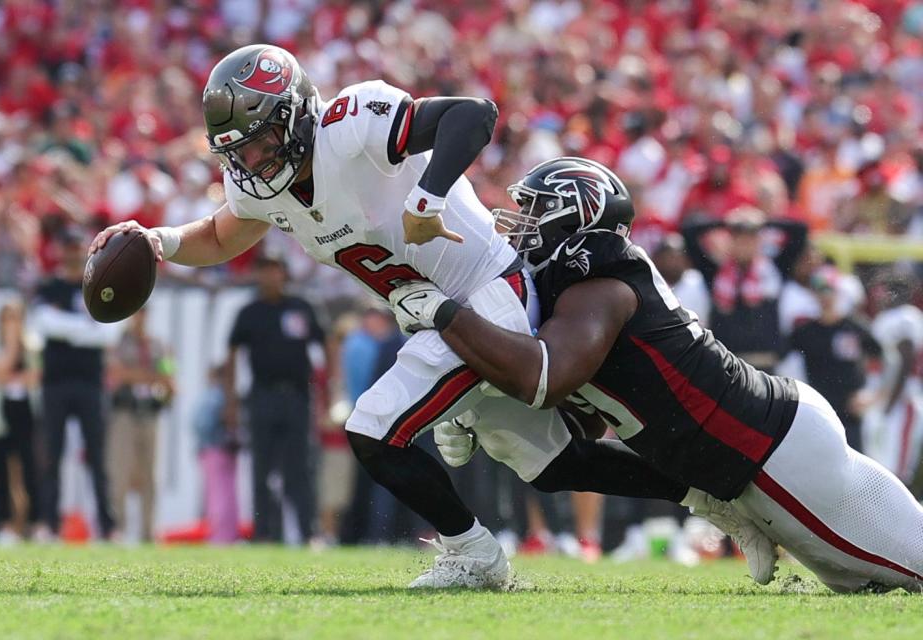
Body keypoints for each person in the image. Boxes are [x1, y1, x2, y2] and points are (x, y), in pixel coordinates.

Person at [90, 45, 738, 588]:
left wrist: (427, 195)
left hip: (491, 291)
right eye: (238, 151)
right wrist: (160, 241)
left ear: (291, 116)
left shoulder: (350, 125)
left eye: (259, 142)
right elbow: (224, 234)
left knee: (374, 426)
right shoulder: (262, 184)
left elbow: (472, 116)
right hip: (436, 316)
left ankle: (473, 554)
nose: (250, 163)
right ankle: (707, 496)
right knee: (557, 465)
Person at [389, 157, 923, 593]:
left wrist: (445, 317)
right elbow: (585, 424)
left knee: (910, 568)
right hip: (749, 459)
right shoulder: (578, 290)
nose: (519, 223)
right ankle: (714, 505)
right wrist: (473, 406)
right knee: (863, 585)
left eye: (535, 210)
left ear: (577, 218)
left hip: (774, 449)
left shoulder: (600, 289)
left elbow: (543, 380)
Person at [226, 253, 324, 543]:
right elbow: (232, 355)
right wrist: (230, 400)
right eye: (264, 270)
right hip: (262, 395)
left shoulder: (301, 307)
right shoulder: (250, 312)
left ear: (284, 273)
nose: (270, 277)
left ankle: (309, 533)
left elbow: (326, 341)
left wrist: (331, 389)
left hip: (296, 395)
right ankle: (263, 533)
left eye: (275, 270)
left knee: (300, 467)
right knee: (261, 468)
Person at [33, 227, 120, 541]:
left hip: (90, 384)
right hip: (55, 383)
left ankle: (108, 528)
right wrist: (85, 327)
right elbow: (44, 324)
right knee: (51, 456)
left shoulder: (97, 285)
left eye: (75, 247)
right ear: (60, 251)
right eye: (66, 247)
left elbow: (109, 333)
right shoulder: (48, 286)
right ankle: (47, 523)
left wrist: (67, 327)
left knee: (97, 457)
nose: (71, 254)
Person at [681, 206, 808, 372]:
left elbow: (801, 231)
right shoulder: (715, 273)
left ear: (759, 241)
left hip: (767, 367)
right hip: (727, 367)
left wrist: (763, 221)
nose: (745, 244)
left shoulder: (773, 270)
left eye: (751, 238)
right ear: (730, 241)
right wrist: (726, 221)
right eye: (739, 238)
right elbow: (689, 232)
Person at [783, 267, 882, 451]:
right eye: (821, 291)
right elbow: (780, 359)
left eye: (830, 290)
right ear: (813, 294)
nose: (825, 297)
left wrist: (874, 395)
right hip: (819, 411)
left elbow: (888, 359)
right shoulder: (805, 332)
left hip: (851, 413)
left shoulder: (855, 326)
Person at [0, 301, 44, 544]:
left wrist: (10, 376)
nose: (11, 323)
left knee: (29, 469)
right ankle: (5, 524)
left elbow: (35, 378)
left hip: (24, 412)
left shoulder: (34, 345)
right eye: (7, 318)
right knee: (0, 470)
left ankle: (36, 523)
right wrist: (13, 345)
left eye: (15, 318)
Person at [106, 307, 174, 542]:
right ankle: (119, 529)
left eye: (144, 313)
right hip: (125, 411)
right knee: (120, 472)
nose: (140, 318)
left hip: (149, 412)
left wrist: (146, 377)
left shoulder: (157, 344)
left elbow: (169, 375)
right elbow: (117, 373)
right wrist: (150, 376)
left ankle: (148, 531)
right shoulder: (119, 342)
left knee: (150, 475)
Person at [862, 272, 923, 486]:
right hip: (884, 397)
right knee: (879, 463)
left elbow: (905, 360)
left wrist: (889, 402)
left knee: (897, 469)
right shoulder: (884, 318)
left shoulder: (906, 316)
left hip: (902, 399)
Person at [193, 364, 239, 545]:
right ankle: (228, 535)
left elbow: (199, 424)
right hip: (227, 450)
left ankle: (220, 536)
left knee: (217, 496)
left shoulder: (211, 396)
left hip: (213, 450)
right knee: (229, 496)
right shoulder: (228, 396)